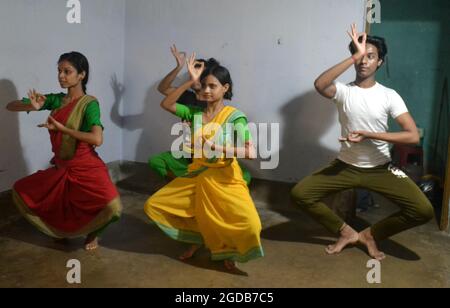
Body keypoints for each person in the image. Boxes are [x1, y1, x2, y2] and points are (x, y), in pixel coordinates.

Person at [290, 24, 434, 260]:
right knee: (300, 193)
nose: (364, 61)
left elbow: (412, 135)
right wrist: (352, 57)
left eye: (371, 56)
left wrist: (370, 134)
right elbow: (319, 84)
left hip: (383, 168)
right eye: (359, 56)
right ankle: (345, 232)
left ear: (380, 62)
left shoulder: (389, 95)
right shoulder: (344, 92)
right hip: (344, 165)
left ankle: (370, 235)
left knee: (423, 209)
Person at [144, 54, 263, 271]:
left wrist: (219, 148)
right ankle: (201, 240)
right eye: (204, 86)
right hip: (198, 175)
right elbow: (166, 103)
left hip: (226, 178)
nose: (207, 90)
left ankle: (228, 250)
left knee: (251, 225)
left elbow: (251, 151)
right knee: (154, 205)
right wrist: (190, 81)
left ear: (225, 88)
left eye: (213, 86)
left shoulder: (235, 116)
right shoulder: (194, 113)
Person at [6, 51, 122, 251]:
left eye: (67, 71)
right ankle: (62, 232)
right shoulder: (56, 100)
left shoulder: (89, 104)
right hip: (62, 167)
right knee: (24, 190)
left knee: (113, 207)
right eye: (59, 71)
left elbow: (97, 139)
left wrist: (63, 129)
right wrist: (32, 106)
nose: (61, 76)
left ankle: (94, 234)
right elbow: (10, 106)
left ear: (81, 75)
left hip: (87, 166)